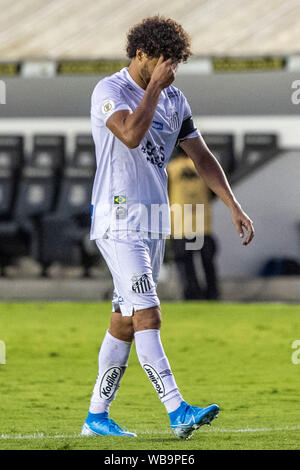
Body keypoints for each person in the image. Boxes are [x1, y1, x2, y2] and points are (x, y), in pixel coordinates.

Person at [82, 16, 254, 440]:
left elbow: (202, 156)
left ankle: (96, 418)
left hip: (155, 221)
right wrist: (154, 89)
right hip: (118, 217)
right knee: (149, 312)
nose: (169, 71)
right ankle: (177, 409)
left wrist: (233, 205)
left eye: (175, 64)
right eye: (163, 62)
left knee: (124, 321)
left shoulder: (176, 99)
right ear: (141, 54)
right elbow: (130, 135)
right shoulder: (110, 90)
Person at [168, 148, 219, 300]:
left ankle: (192, 294)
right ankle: (212, 294)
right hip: (203, 224)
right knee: (208, 263)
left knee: (185, 264)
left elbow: (163, 194)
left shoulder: (170, 168)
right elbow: (215, 192)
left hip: (180, 225)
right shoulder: (203, 166)